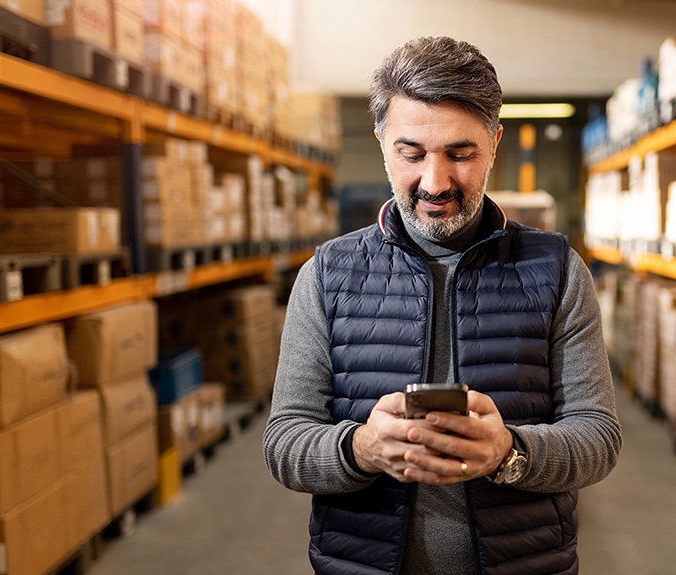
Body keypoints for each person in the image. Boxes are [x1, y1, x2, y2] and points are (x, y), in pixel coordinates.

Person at [263, 36, 622, 575]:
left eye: (461, 154)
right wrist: (362, 449)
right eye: (411, 154)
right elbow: (285, 441)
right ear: (382, 142)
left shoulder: (556, 272)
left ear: (495, 144)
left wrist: (508, 453)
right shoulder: (326, 276)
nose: (435, 183)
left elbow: (597, 435)